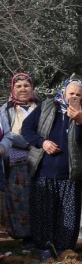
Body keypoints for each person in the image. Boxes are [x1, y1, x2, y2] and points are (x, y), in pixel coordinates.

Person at [24, 79, 82, 259]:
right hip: (44, 170)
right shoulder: (47, 107)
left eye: (78, 95)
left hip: (70, 173)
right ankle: (45, 248)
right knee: (44, 212)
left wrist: (80, 121)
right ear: (64, 92)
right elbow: (26, 129)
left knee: (69, 214)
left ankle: (65, 249)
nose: (74, 97)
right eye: (71, 93)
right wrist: (42, 142)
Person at [2, 72, 39, 246]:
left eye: (26, 85)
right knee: (20, 198)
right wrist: (29, 141)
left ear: (32, 88)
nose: (23, 89)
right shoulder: (5, 110)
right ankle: (23, 236)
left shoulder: (40, 107)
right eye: (18, 86)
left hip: (40, 158)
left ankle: (40, 234)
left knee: (39, 196)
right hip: (17, 161)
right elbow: (6, 134)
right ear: (12, 88)